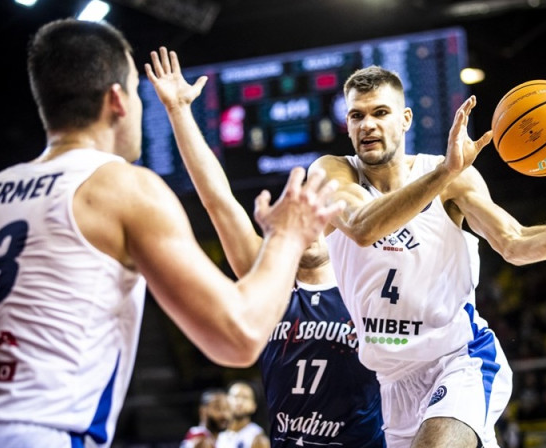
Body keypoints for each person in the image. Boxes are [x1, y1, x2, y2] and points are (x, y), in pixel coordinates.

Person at [0, 18, 343, 447]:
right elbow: (240, 335)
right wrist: (287, 235)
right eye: (137, 91)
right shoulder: (121, 185)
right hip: (42, 433)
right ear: (117, 100)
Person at [308, 65, 546, 448]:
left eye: (380, 112)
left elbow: (513, 242)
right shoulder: (331, 173)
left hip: (459, 360)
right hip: (392, 381)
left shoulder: (454, 178)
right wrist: (444, 173)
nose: (367, 124)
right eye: (357, 115)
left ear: (405, 120)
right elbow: (361, 226)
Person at [146, 46, 386, 447]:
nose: (310, 229)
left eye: (318, 216)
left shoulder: (369, 281)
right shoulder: (268, 281)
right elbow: (217, 199)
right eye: (299, 219)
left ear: (337, 225)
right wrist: (179, 111)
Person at [219, 380, 269, 448]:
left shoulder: (258, 439)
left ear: (253, 406)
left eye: (245, 397)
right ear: (226, 400)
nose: (239, 402)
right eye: (235, 396)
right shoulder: (217, 434)